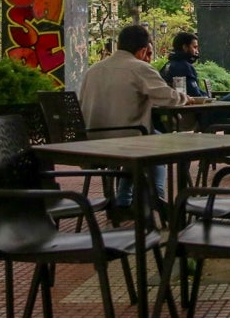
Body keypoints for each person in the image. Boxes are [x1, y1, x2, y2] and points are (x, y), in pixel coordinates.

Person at [79, 24, 192, 207]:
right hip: (128, 139)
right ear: (143, 50)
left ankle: (124, 200)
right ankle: (155, 199)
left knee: (149, 138)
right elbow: (169, 97)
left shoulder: (93, 70)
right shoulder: (139, 68)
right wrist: (185, 98)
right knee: (160, 145)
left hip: (92, 141)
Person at [159, 31, 230, 130]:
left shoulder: (167, 66)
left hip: (175, 116)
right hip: (197, 116)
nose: (197, 51)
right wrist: (209, 99)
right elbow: (195, 95)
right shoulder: (184, 67)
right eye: (194, 47)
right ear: (185, 47)